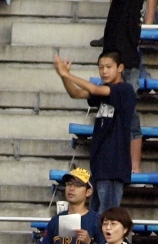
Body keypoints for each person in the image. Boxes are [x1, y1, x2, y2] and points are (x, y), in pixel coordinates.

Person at [53, 51, 136, 214]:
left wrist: (68, 74)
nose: (104, 71)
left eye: (108, 67)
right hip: (99, 166)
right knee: (96, 217)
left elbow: (95, 89)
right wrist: (63, 76)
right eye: (100, 68)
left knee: (108, 216)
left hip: (113, 167)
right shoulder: (104, 91)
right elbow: (75, 93)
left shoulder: (124, 90)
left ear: (120, 68)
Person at [93, 0, 144, 172]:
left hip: (127, 59)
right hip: (113, 52)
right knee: (108, 112)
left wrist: (149, 24)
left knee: (130, 116)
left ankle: (135, 166)